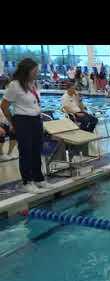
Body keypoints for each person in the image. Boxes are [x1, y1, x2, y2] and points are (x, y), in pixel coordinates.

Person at [0, 58, 53, 193]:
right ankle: (27, 182)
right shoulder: (14, 85)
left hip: (36, 120)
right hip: (22, 121)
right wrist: (12, 122)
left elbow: (35, 103)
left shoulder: (32, 83)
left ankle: (39, 179)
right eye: (35, 70)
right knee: (26, 152)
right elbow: (4, 106)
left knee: (36, 150)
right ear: (27, 71)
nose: (37, 72)